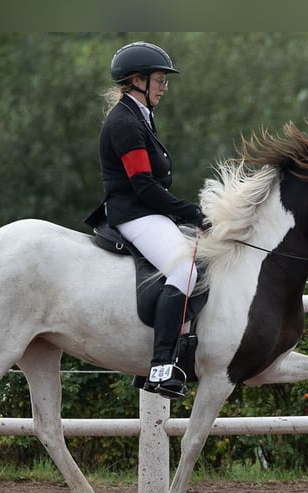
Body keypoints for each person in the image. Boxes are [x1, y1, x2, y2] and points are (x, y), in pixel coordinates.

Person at [85, 41, 206, 400]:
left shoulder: (139, 115)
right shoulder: (125, 122)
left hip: (147, 210)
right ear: (137, 80)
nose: (165, 87)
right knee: (184, 269)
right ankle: (161, 367)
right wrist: (192, 212)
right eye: (160, 80)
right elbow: (142, 185)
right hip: (134, 213)